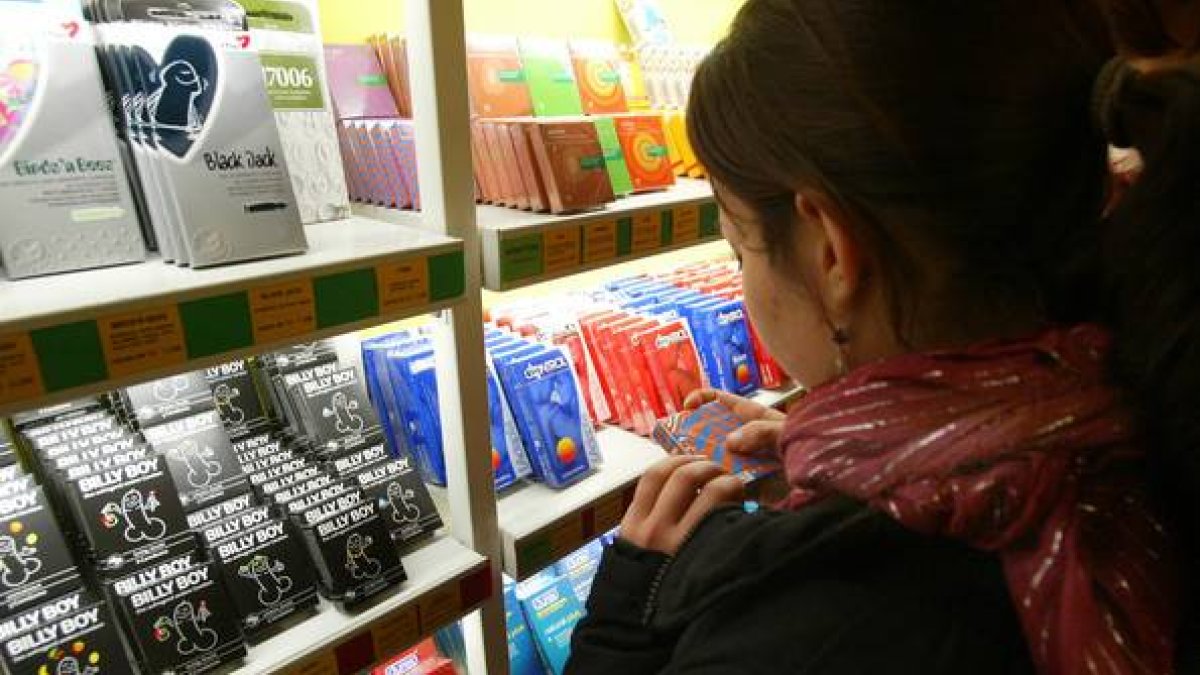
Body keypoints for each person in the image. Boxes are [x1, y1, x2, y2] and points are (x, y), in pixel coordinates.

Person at [565, 1, 1200, 673]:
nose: (744, 278)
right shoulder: (1148, 393)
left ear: (830, 250)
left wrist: (624, 621)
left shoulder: (810, 630)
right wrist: (868, 475)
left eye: (739, 250)